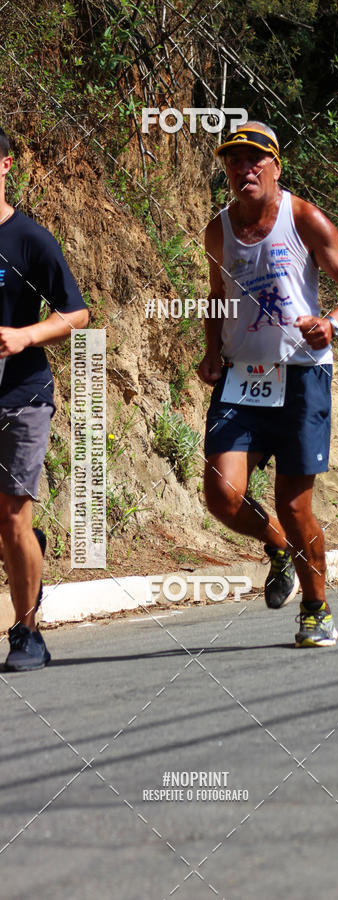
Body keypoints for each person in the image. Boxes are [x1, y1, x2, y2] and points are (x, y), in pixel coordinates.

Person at [198, 121, 338, 647]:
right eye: (234, 161)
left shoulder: (303, 218)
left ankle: (317, 608)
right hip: (242, 379)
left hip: (300, 376)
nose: (243, 169)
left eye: (254, 160)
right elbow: (215, 297)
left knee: (296, 506)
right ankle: (277, 548)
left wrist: (333, 322)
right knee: (222, 497)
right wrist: (210, 350)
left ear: (275, 166)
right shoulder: (218, 230)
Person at [0, 127, 90, 671]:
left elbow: (77, 313)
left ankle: (27, 633)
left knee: (11, 515)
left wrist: (25, 336)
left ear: (6, 165)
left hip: (21, 395)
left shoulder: (29, 239)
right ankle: (29, 545)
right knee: (11, 524)